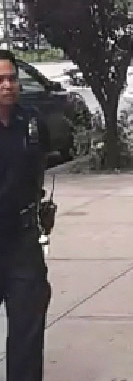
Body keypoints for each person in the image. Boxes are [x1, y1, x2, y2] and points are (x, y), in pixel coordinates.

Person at [0, 49, 52, 381]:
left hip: (22, 240)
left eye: (12, 79)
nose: (7, 86)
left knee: (28, 327)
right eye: (0, 80)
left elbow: (39, 168)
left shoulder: (30, 121)